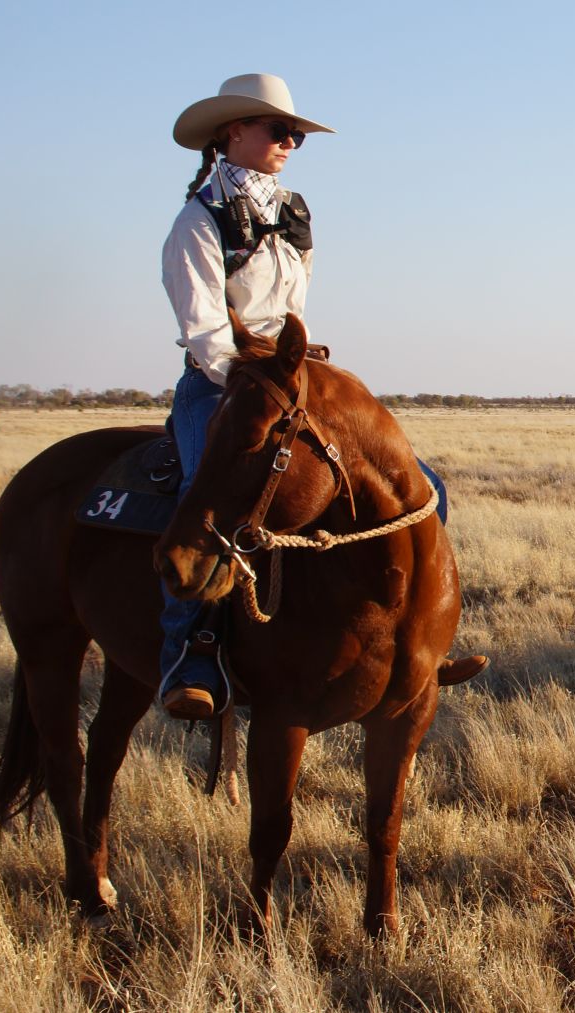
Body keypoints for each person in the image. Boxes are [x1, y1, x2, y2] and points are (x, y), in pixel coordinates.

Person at [159, 73, 333, 719]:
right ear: (234, 132)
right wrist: (257, 379)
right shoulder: (198, 220)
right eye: (278, 130)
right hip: (222, 383)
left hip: (289, 378)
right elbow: (206, 330)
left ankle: (400, 636)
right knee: (204, 496)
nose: (289, 142)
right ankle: (191, 652)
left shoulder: (294, 213)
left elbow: (294, 308)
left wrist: (291, 369)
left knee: (404, 478)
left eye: (295, 135)